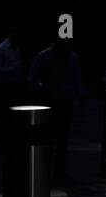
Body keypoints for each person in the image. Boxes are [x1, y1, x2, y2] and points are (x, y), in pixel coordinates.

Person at [28, 36, 84, 183]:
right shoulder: (44, 56)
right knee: (50, 139)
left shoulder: (70, 57)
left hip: (64, 101)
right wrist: (42, 90)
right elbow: (33, 79)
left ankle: (58, 171)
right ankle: (48, 170)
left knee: (61, 139)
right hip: (51, 101)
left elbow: (77, 80)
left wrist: (79, 99)